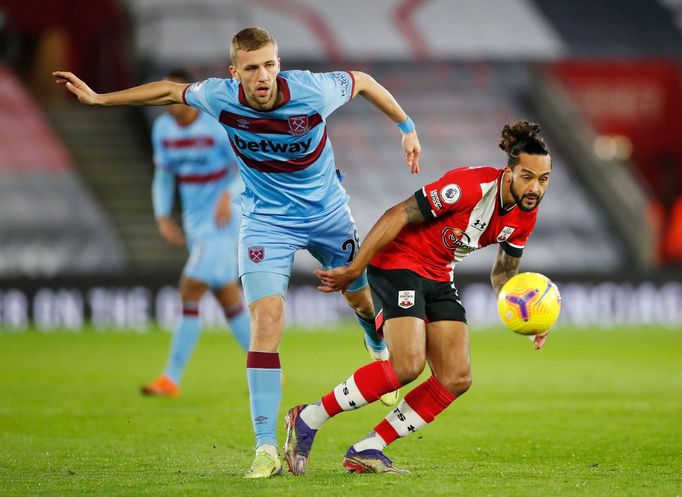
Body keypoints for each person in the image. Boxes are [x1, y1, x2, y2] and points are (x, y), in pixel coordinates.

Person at [53, 26, 421, 478]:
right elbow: (170, 91)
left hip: (328, 215)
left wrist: (407, 126)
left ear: (279, 64)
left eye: (269, 64)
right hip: (266, 222)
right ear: (236, 73)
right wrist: (100, 99)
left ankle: (375, 343)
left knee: (359, 298)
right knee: (266, 322)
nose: (262, 75)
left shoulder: (312, 90)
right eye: (252, 68)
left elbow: (362, 80)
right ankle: (266, 446)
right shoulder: (220, 97)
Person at [283, 121, 552, 475]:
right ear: (509, 172)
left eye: (544, 179)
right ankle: (308, 417)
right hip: (398, 262)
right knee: (407, 365)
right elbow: (397, 214)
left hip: (439, 274)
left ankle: (368, 447)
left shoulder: (525, 214)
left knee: (456, 376)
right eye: (527, 176)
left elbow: (503, 275)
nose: (535, 187)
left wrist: (526, 319)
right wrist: (355, 269)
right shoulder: (469, 188)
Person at [140, 69, 250, 398]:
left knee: (189, 290)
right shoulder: (162, 130)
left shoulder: (216, 124)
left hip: (223, 219)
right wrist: (162, 215)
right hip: (195, 222)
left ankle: (170, 379)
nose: (170, 103)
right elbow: (164, 176)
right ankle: (269, 366)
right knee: (228, 298)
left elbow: (247, 166)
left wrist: (228, 194)